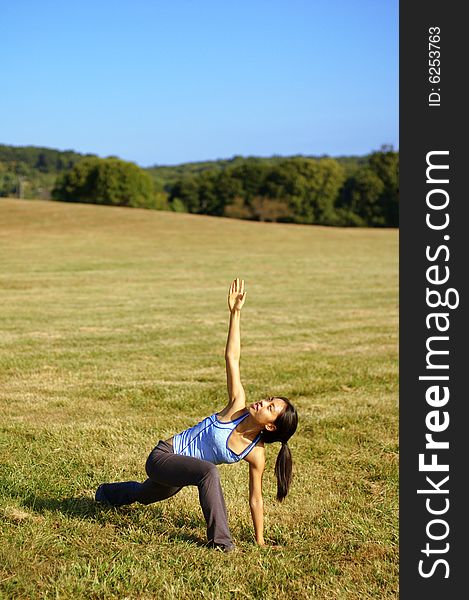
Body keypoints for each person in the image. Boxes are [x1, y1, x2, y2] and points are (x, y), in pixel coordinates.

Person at [95, 278, 298, 552]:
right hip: (163, 456)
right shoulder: (236, 406)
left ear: (272, 428)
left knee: (143, 495)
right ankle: (221, 543)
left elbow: (256, 499)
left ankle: (105, 493)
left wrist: (260, 540)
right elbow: (232, 358)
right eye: (269, 400)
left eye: (270, 407)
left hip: (180, 475)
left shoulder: (256, 453)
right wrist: (235, 314)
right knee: (208, 471)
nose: (263, 402)